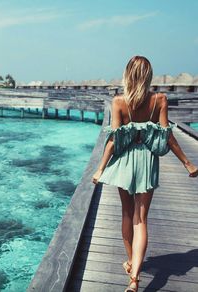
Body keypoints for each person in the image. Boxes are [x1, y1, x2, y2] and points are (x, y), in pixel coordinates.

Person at [91, 56, 198, 292]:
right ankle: (134, 276)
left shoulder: (119, 102)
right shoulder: (159, 100)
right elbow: (167, 136)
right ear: (148, 75)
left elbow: (113, 141)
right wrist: (187, 163)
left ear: (127, 75)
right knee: (142, 220)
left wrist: (100, 169)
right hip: (147, 162)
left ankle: (132, 266)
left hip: (124, 163)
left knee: (127, 215)